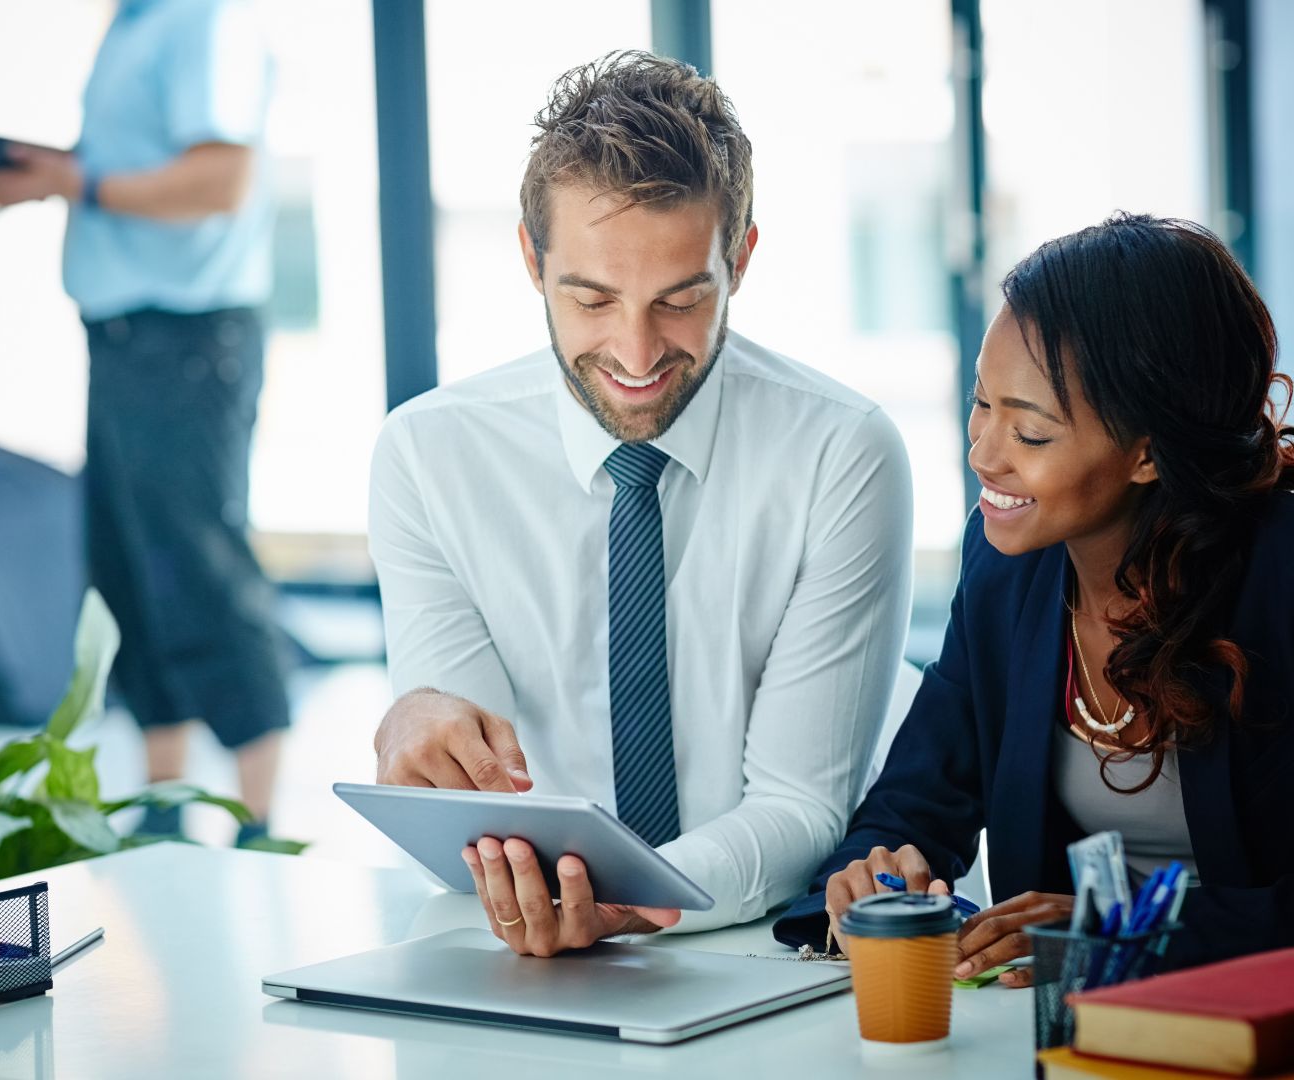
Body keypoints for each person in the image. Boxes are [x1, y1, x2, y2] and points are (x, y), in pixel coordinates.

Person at [773, 213, 1294, 981]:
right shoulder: (1004, 571)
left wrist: (1132, 935)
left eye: (1032, 433)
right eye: (982, 404)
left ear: (1148, 452)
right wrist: (864, 880)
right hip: (1076, 1034)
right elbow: (911, 809)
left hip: (1287, 1030)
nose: (983, 453)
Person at [368, 51, 914, 956]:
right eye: (590, 298)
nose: (635, 352)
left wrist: (630, 902)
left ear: (739, 258)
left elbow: (800, 805)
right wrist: (419, 735)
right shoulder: (429, 456)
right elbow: (484, 806)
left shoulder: (842, 453)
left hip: (765, 947)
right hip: (524, 951)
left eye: (681, 298)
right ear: (530, 260)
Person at [0, 0, 288, 843]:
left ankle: (260, 818)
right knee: (128, 569)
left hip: (184, 340)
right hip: (120, 339)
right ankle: (165, 802)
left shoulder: (201, 21)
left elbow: (220, 181)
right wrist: (58, 174)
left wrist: (79, 181)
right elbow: (139, 167)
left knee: (199, 562)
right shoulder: (134, 24)